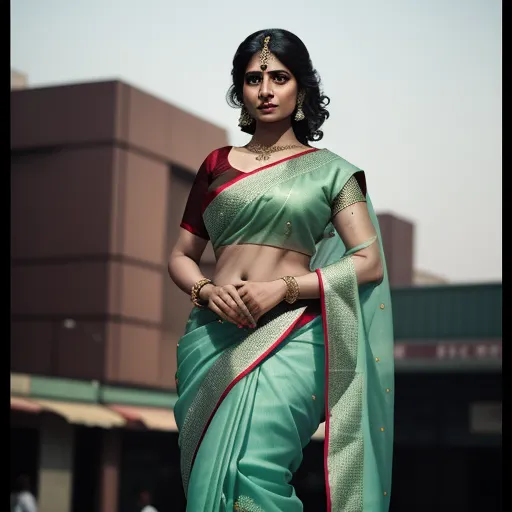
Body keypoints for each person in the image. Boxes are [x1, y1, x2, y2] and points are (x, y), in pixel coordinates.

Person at [168, 28, 394, 512]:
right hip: (213, 334)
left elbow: (369, 261)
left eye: (279, 77)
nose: (266, 90)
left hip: (293, 336)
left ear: (302, 89)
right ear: (241, 91)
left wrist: (283, 289)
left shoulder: (334, 172)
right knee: (212, 473)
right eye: (253, 79)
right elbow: (181, 256)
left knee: (254, 470)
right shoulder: (216, 164)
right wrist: (207, 292)